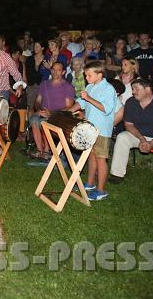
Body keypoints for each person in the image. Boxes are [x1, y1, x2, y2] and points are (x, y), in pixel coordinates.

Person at [109, 78, 153, 198]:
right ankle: (116, 174)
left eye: (137, 88)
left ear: (148, 89)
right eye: (132, 89)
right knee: (122, 137)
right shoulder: (131, 102)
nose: (133, 92)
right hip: (140, 135)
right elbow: (129, 125)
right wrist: (142, 139)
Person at [68, 60, 118, 201]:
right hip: (89, 129)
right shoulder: (90, 86)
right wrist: (69, 111)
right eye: (86, 75)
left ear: (99, 74)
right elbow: (81, 102)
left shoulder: (108, 89)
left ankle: (101, 190)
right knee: (91, 156)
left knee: (101, 159)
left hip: (101, 130)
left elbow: (107, 109)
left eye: (89, 75)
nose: (86, 78)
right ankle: (90, 184)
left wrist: (88, 98)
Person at [30, 62, 76, 160]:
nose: (55, 72)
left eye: (58, 70)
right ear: (50, 70)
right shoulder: (44, 84)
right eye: (53, 69)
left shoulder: (68, 87)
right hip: (44, 112)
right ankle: (39, 149)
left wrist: (51, 113)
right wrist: (39, 110)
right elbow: (38, 101)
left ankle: (46, 150)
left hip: (59, 116)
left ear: (63, 72)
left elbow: (69, 107)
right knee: (34, 119)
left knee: (44, 122)